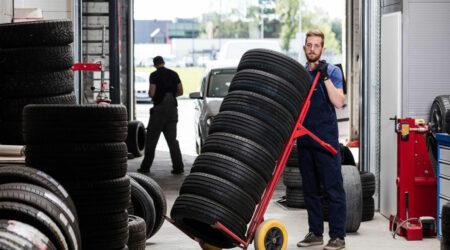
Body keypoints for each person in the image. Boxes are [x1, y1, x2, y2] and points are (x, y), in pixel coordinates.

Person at [296, 30, 347, 250]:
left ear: (323, 49)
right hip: (305, 140)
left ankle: (338, 237)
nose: (313, 49)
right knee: (310, 190)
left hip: (326, 141)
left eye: (317, 45)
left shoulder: (333, 71)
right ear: (304, 48)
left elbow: (339, 102)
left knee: (333, 190)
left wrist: (324, 77)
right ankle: (315, 233)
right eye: (309, 45)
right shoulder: (299, 74)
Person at [138, 56, 184, 174]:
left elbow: (152, 92)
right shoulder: (174, 73)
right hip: (173, 110)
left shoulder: (154, 75)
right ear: (163, 63)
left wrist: (154, 94)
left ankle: (145, 167)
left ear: (155, 65)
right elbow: (181, 91)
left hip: (159, 111)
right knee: (172, 140)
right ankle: (178, 167)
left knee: (151, 140)